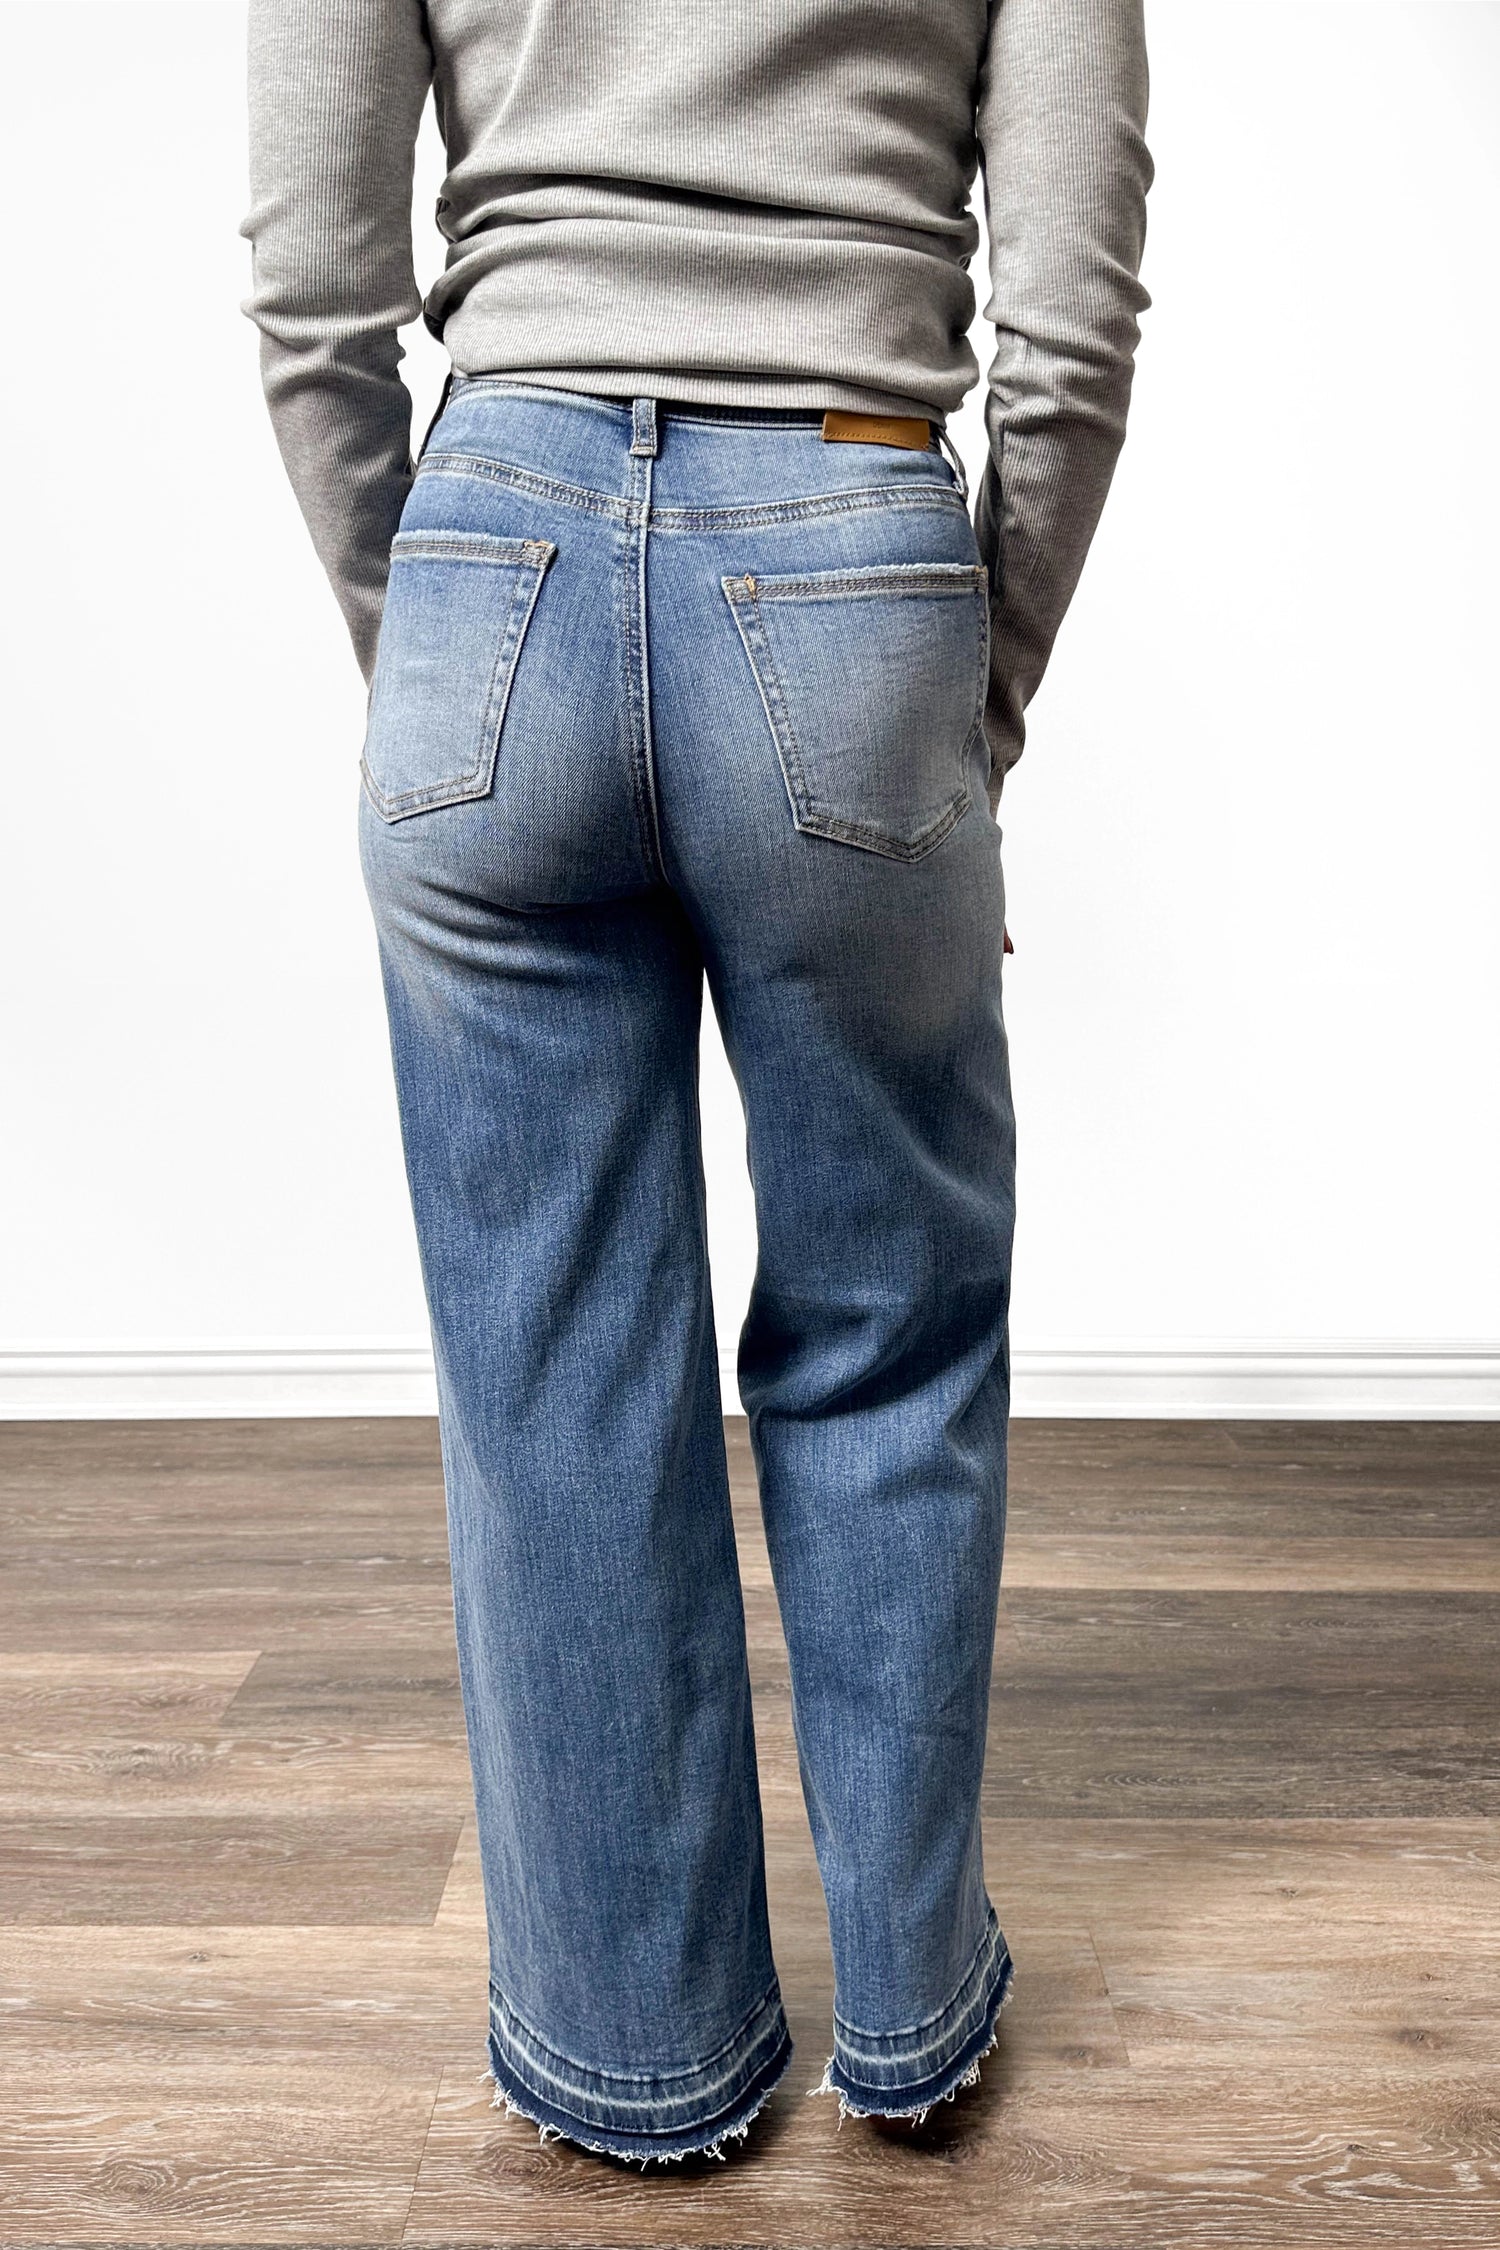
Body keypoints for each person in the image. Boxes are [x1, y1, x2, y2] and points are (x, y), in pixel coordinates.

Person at [242, 0, 1151, 2167]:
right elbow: (1074, 313)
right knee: (890, 1327)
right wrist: (969, 701)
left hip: (495, 549)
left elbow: (309, 278)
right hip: (849, 539)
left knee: (550, 1361)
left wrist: (434, 638)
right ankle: (911, 2017)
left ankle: (634, 2051)